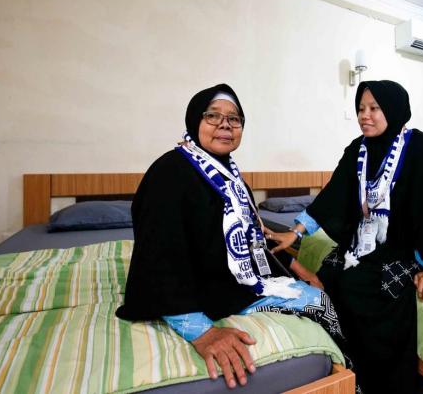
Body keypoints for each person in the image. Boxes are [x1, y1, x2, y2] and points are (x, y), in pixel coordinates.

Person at [116, 83, 344, 390]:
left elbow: (252, 239)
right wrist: (201, 332)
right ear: (194, 120)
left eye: (234, 118)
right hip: (200, 289)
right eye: (213, 116)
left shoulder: (231, 177)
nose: (225, 125)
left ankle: (352, 377)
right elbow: (160, 252)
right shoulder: (170, 172)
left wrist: (298, 270)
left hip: (233, 280)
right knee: (320, 304)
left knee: (323, 298)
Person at [266, 80, 423, 393]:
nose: (364, 115)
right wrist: (295, 232)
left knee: (371, 288)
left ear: (393, 109)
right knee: (333, 273)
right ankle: (347, 368)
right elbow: (333, 195)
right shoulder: (358, 149)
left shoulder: (420, 146)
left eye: (374, 108)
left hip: (403, 245)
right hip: (362, 242)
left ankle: (383, 381)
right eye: (361, 108)